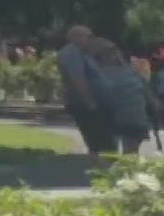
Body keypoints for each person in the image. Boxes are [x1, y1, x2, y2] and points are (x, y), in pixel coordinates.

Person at [58, 25, 117, 161]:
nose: (91, 40)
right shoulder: (71, 53)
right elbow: (78, 78)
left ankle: (100, 163)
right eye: (88, 37)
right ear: (75, 37)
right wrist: (89, 100)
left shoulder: (83, 53)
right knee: (96, 134)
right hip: (84, 101)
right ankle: (98, 166)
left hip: (95, 99)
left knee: (100, 135)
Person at [88, 38, 154, 155]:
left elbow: (145, 90)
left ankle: (128, 172)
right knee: (107, 153)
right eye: (107, 51)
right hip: (109, 117)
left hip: (134, 116)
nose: (112, 54)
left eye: (114, 50)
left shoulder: (133, 70)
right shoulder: (96, 73)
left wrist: (153, 103)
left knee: (131, 155)